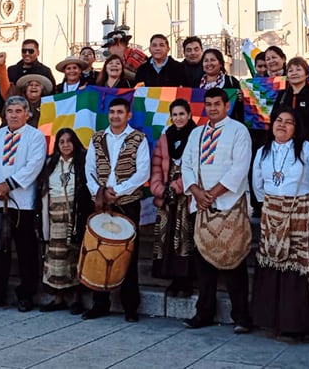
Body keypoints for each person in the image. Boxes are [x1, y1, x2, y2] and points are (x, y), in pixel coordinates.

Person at [251, 108, 309, 342]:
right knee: (273, 262)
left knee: (299, 266)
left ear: (296, 128)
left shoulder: (306, 150)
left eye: (289, 122)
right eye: (278, 121)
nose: (282, 125)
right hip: (272, 213)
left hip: (301, 213)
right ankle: (273, 321)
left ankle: (300, 326)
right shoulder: (263, 152)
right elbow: (258, 185)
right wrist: (271, 203)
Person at [182, 87, 253, 333]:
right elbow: (187, 165)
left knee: (234, 261)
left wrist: (213, 193)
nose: (212, 108)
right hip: (202, 207)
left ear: (226, 106)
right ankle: (204, 313)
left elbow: (240, 167)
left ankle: (241, 317)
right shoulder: (197, 134)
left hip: (229, 205)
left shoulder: (238, 131)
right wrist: (197, 192)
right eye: (208, 104)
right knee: (203, 264)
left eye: (217, 104)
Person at [83, 97, 150, 322]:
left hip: (127, 203)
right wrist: (101, 192)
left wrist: (118, 191)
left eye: (120, 112)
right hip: (101, 203)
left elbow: (143, 173)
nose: (115, 116)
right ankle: (99, 304)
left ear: (128, 115)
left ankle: (130, 306)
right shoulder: (97, 138)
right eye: (112, 112)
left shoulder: (138, 139)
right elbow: (89, 169)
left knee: (127, 254)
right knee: (98, 252)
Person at [0, 96, 47, 311]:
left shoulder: (35, 137)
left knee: (26, 251)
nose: (14, 115)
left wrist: (8, 185)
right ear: (4, 114)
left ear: (27, 114)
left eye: (18, 111)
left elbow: (34, 165)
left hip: (22, 203)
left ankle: (26, 295)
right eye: (10, 111)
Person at [38, 128, 92, 314]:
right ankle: (58, 297)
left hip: (74, 214)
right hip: (54, 216)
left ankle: (75, 299)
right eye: (61, 141)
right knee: (55, 257)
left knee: (74, 255)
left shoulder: (82, 164)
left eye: (69, 141)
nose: (66, 144)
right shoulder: (51, 164)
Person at [150, 98, 197, 297]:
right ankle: (172, 279)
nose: (178, 118)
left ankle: (185, 280)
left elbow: (196, 166)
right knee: (167, 236)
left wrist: (176, 187)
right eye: (175, 115)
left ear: (189, 115)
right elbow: (157, 166)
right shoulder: (165, 137)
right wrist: (158, 188)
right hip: (167, 194)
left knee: (184, 236)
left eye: (182, 114)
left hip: (186, 193)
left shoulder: (196, 135)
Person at [270, 57, 309, 151]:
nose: (294, 73)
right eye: (290, 71)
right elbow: (274, 117)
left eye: (298, 70)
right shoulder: (283, 95)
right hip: (285, 146)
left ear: (306, 74)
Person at [199, 48, 243, 121]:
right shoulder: (195, 83)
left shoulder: (232, 81)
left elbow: (240, 109)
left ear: (220, 64)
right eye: (206, 61)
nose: (209, 63)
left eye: (213, 60)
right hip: (202, 127)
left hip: (227, 127)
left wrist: (241, 99)